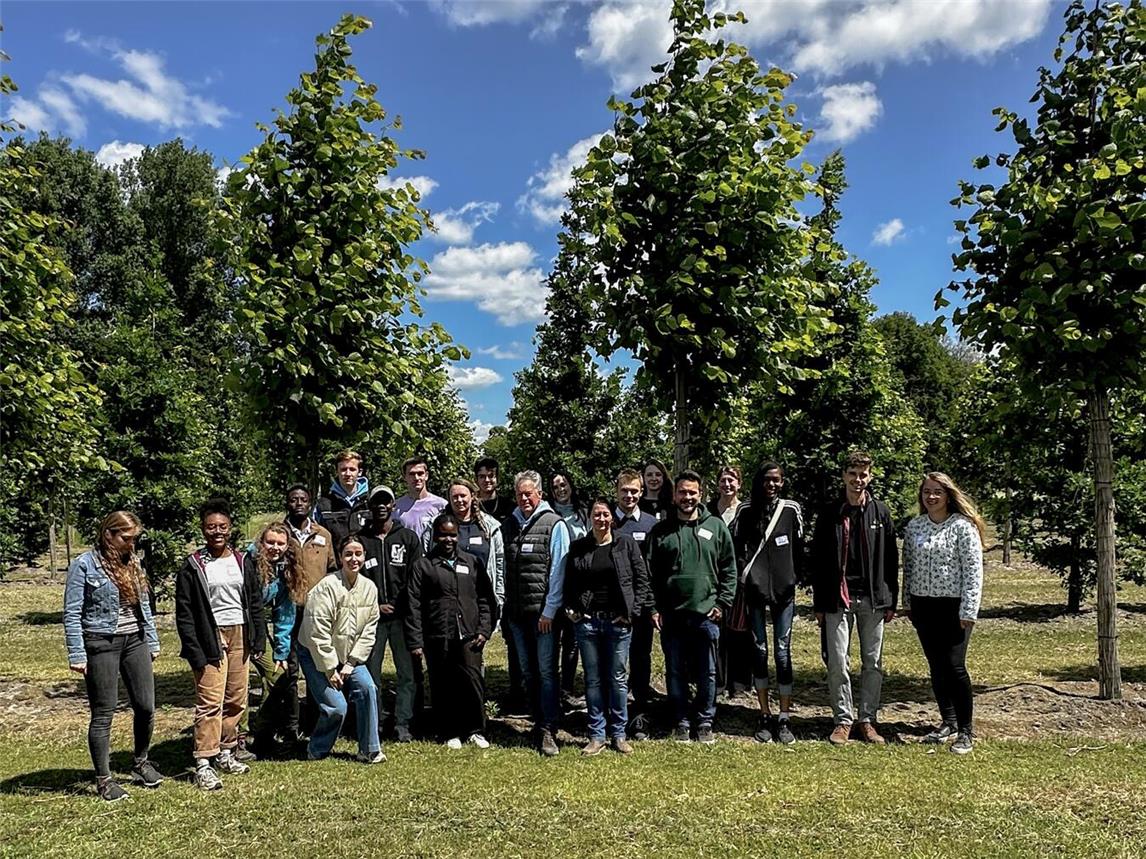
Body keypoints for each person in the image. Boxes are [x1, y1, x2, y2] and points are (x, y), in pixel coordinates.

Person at [63, 511, 163, 802]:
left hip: (135, 640)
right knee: (103, 713)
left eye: (134, 539)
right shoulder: (84, 565)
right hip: (100, 642)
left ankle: (141, 762)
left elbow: (144, 604)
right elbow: (72, 613)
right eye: (126, 538)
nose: (131, 544)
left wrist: (152, 640)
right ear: (109, 535)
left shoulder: (132, 562)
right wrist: (77, 652)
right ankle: (104, 780)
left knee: (145, 706)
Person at [176, 498, 266, 790]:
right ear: (203, 530)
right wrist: (193, 649)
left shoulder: (242, 561)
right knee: (210, 701)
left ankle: (227, 751)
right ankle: (204, 761)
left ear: (230, 529)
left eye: (222, 527)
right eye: (211, 527)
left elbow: (254, 601)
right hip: (210, 636)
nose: (217, 532)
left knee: (236, 698)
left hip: (240, 634)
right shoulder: (193, 565)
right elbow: (185, 611)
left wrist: (259, 637)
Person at [811, 450, 900, 746]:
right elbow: (818, 561)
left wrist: (891, 600)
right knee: (838, 660)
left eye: (863, 474)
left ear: (870, 476)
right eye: (853, 474)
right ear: (844, 476)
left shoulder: (881, 513)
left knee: (872, 662)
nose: (857, 480)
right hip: (838, 598)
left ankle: (867, 719)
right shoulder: (829, 512)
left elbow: (890, 558)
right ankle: (842, 719)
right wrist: (820, 603)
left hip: (874, 599)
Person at [648, 471, 737, 744]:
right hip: (672, 615)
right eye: (682, 492)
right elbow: (649, 575)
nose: (687, 497)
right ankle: (681, 720)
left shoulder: (716, 527)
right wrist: (653, 608)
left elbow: (729, 569)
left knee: (707, 672)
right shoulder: (661, 531)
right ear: (674, 495)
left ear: (700, 494)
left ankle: (705, 721)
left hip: (706, 614)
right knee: (675, 670)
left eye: (692, 493)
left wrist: (722, 603)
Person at [903, 472, 985, 755]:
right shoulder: (914, 527)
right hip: (924, 605)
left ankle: (966, 730)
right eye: (926, 492)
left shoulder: (963, 527)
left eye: (937, 491)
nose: (931, 497)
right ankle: (947, 721)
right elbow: (909, 568)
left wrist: (969, 609)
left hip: (954, 606)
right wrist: (907, 603)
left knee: (955, 667)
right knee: (936, 667)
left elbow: (973, 571)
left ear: (948, 494)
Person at [565, 497, 651, 755]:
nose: (601, 519)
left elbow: (641, 580)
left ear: (611, 518)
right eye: (596, 514)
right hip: (589, 623)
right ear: (589, 517)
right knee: (593, 680)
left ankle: (619, 734)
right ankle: (596, 734)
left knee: (617, 679)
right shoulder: (579, 547)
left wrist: (632, 614)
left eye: (605, 514)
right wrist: (571, 610)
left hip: (618, 623)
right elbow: (569, 582)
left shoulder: (625, 544)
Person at [406, 513, 495, 749]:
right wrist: (416, 641)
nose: (448, 540)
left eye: (452, 535)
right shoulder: (423, 566)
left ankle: (476, 729)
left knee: (472, 681)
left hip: (469, 634)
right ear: (435, 537)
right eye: (443, 535)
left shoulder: (471, 562)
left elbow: (486, 599)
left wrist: (484, 630)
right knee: (443, 683)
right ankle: (449, 731)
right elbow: (413, 604)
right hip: (437, 634)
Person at [731, 463, 805, 745]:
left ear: (783, 482)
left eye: (776, 480)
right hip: (754, 591)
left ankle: (784, 716)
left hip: (784, 592)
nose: (771, 485)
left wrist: (793, 578)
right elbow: (738, 548)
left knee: (783, 651)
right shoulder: (746, 511)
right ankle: (764, 712)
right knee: (759, 650)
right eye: (766, 480)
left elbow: (799, 550)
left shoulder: (791, 510)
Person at [298, 535, 384, 763]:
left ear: (364, 557)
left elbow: (369, 632)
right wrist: (329, 669)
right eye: (348, 554)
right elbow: (317, 632)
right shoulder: (326, 587)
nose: (353, 559)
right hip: (316, 654)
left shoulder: (369, 588)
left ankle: (370, 749)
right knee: (337, 707)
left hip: (348, 657)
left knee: (368, 689)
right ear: (340, 557)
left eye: (358, 554)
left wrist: (351, 663)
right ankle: (317, 749)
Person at [501, 470, 570, 756]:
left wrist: (550, 610)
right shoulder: (510, 524)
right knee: (528, 673)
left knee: (546, 672)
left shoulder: (554, 525)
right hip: (517, 614)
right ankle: (536, 720)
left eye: (529, 493)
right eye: (519, 494)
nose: (524, 498)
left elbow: (558, 571)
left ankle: (548, 728)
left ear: (540, 494)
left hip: (544, 616)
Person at [359, 485, 423, 743]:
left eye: (386, 501)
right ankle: (375, 721)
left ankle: (402, 722)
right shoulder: (361, 541)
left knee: (406, 673)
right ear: (370, 506)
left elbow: (416, 578)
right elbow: (355, 581)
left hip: (402, 618)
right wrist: (376, 605)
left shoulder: (408, 538)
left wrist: (404, 605)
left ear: (394, 506)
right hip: (372, 620)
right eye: (376, 502)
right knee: (371, 675)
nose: (381, 506)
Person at [246, 523, 308, 758]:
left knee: (276, 676)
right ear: (261, 542)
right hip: (240, 628)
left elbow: (285, 614)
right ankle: (237, 740)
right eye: (270, 542)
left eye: (280, 543)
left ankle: (263, 735)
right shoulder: (247, 563)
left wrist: (281, 652)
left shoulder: (285, 569)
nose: (275, 547)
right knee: (239, 686)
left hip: (260, 630)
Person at [611, 468, 658, 740]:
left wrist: (650, 606)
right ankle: (614, 714)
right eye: (624, 490)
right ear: (616, 491)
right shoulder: (607, 522)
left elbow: (652, 571)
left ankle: (639, 715)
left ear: (641, 492)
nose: (629, 496)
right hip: (612, 607)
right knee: (614, 663)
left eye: (634, 491)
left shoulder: (651, 524)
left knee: (640, 659)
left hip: (640, 607)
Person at [712, 466, 753, 700]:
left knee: (739, 630)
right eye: (723, 480)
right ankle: (717, 681)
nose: (727, 484)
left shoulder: (746, 511)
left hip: (740, 577)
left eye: (732, 480)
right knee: (716, 630)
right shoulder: (707, 510)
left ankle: (738, 683)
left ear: (739, 484)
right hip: (713, 576)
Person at [550, 469, 587, 710]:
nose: (561, 489)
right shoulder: (547, 513)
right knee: (553, 639)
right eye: (555, 486)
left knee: (573, 642)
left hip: (579, 585)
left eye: (564, 484)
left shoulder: (583, 512)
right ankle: (551, 689)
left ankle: (567, 689)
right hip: (554, 582)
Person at [284, 484, 337, 592]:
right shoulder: (278, 535)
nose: (299, 504)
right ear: (287, 505)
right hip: (287, 602)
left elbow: (332, 569)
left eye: (304, 500)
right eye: (294, 500)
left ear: (310, 505)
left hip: (317, 601)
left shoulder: (324, 534)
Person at [314, 450, 372, 549]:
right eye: (343, 469)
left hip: (366, 562)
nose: (348, 473)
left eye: (352, 469)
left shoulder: (371, 502)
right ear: (337, 471)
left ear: (360, 472)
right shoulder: (324, 505)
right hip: (335, 563)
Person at [393, 455, 447, 539]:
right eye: (412, 474)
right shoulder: (396, 507)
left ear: (426, 475)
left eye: (420, 473)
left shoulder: (441, 505)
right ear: (404, 477)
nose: (416, 478)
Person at [475, 456, 515, 521]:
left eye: (490, 476)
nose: (487, 480)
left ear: (497, 478)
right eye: (482, 476)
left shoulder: (508, 505)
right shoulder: (471, 504)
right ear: (476, 479)